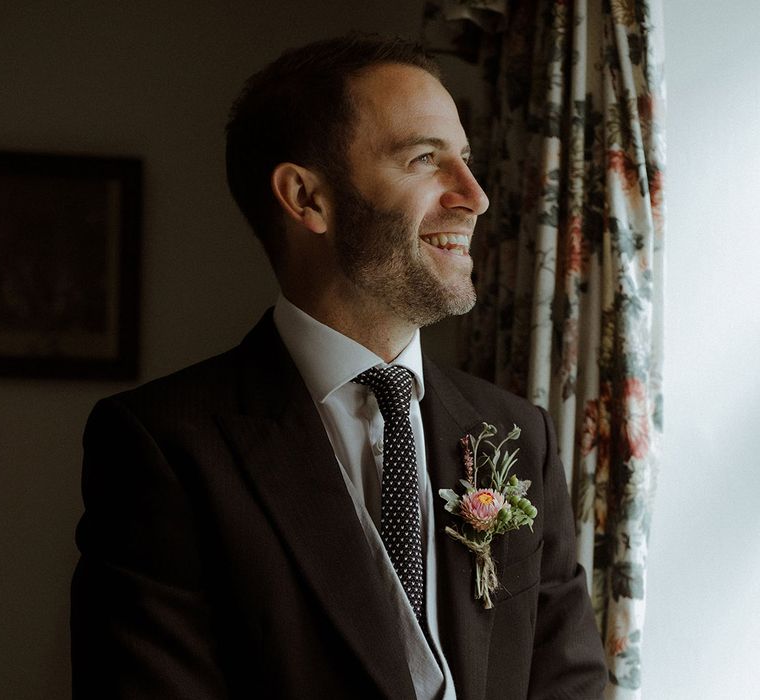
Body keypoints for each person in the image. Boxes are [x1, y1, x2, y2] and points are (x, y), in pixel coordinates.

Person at [71, 33, 607, 699]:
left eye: (464, 161)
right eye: (424, 159)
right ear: (307, 198)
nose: (475, 196)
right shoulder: (164, 446)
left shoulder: (517, 432)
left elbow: (569, 681)